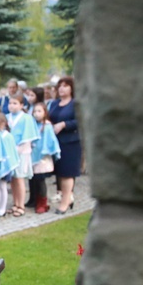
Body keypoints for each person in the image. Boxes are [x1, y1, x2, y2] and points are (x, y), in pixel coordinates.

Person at [48, 76, 80, 214]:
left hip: (71, 142)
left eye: (65, 86)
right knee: (60, 173)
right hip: (56, 142)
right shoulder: (55, 103)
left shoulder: (76, 104)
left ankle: (65, 202)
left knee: (67, 173)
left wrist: (64, 124)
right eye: (60, 85)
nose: (61, 88)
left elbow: (81, 120)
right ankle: (67, 198)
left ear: (72, 88)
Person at [6, 92, 40, 216]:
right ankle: (15, 203)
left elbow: (28, 136)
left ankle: (21, 205)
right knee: (13, 179)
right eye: (10, 103)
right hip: (10, 152)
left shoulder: (26, 118)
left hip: (21, 151)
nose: (11, 106)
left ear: (21, 105)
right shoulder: (7, 117)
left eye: (15, 103)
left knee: (19, 178)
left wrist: (18, 148)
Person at [30, 102, 61, 214]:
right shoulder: (32, 125)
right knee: (33, 179)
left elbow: (51, 141)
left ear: (44, 113)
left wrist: (47, 151)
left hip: (43, 158)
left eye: (39, 111)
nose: (37, 114)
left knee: (40, 180)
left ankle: (43, 202)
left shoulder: (47, 126)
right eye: (35, 111)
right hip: (33, 155)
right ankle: (34, 200)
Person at [0, 112, 19, 218]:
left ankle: (2, 208)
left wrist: (7, 163)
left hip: (5, 165)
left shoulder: (7, 136)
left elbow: (10, 151)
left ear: (2, 124)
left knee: (2, 186)